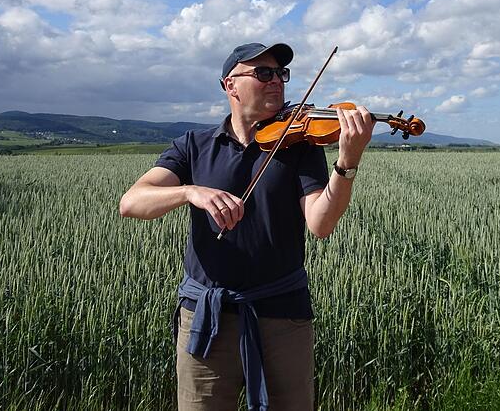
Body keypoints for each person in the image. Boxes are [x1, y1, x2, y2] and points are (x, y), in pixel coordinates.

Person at [119, 42, 374, 410]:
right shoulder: (194, 145)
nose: (277, 82)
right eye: (263, 73)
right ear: (230, 86)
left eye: (281, 74)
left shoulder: (298, 144)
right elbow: (131, 202)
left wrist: (347, 161)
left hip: (281, 315)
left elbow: (321, 223)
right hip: (206, 317)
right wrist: (189, 191)